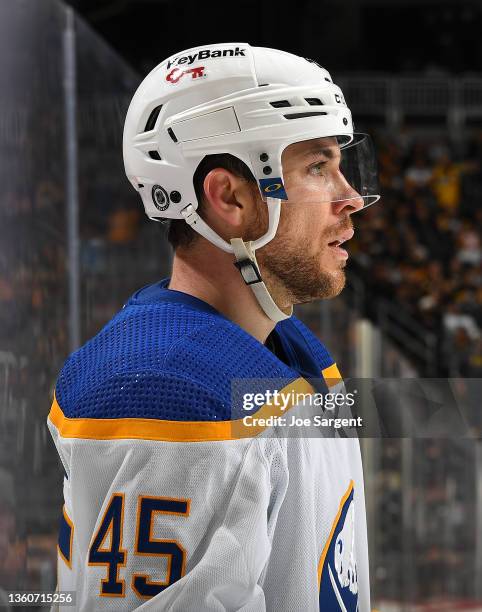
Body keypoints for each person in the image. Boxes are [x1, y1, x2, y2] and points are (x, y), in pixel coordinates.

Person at [47, 43, 380, 611]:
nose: (350, 198)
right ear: (229, 197)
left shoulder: (286, 347)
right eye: (317, 167)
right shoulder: (167, 387)